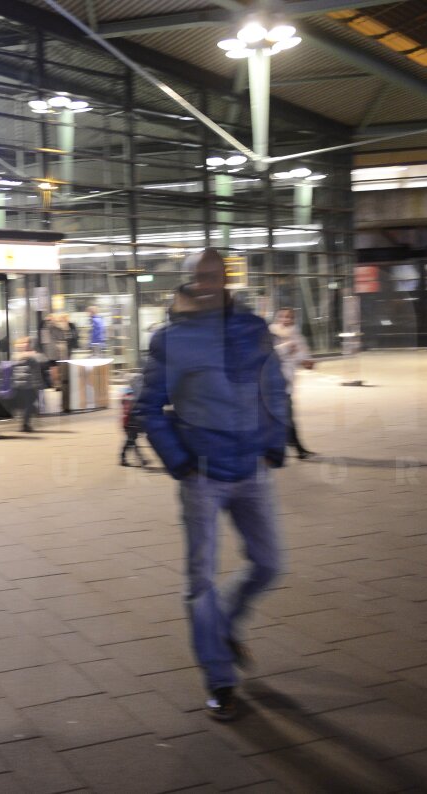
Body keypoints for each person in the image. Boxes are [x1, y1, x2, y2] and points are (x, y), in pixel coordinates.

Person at [133, 248, 287, 722]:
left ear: (226, 278)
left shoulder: (251, 328)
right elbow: (148, 407)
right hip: (202, 474)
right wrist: (181, 464)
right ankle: (219, 678)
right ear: (189, 282)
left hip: (252, 469)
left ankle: (223, 624)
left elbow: (275, 385)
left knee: (269, 563)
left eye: (216, 273)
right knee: (200, 580)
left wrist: (275, 438)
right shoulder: (170, 340)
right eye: (200, 275)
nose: (208, 281)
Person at [269, 307, 315, 460]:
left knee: (283, 417)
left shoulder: (296, 335)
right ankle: (299, 449)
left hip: (287, 382)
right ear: (278, 318)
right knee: (287, 417)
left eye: (290, 317)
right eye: (284, 317)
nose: (287, 320)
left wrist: (307, 362)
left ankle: (288, 445)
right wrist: (286, 347)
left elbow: (302, 356)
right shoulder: (272, 334)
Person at [12, 336, 46, 432]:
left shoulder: (26, 355)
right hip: (25, 385)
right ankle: (25, 424)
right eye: (23, 343)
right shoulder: (18, 356)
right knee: (29, 404)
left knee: (29, 404)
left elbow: (43, 359)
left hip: (29, 384)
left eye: (26, 343)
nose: (25, 345)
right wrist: (30, 355)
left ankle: (25, 423)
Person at [119, 373, 148, 467]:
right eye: (138, 382)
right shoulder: (130, 394)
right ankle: (139, 458)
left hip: (131, 421)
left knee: (131, 440)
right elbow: (128, 409)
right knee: (131, 440)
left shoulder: (132, 393)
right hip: (129, 421)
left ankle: (139, 458)